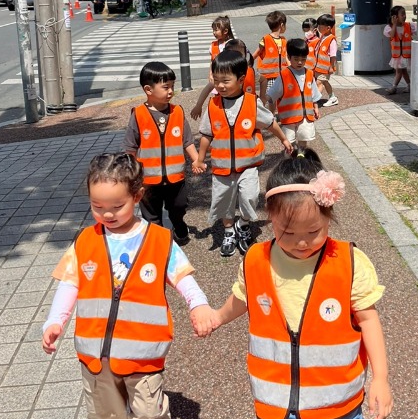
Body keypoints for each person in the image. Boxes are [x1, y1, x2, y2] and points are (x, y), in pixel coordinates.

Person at [211, 150, 393, 419]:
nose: (300, 242)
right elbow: (239, 301)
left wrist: (381, 378)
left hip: (333, 397)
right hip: (277, 402)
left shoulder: (350, 262)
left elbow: (369, 319)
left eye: (313, 232)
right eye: (285, 233)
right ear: (270, 220)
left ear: (329, 217)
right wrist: (215, 317)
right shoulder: (257, 260)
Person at [41, 153, 215, 419]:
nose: (107, 214)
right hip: (95, 354)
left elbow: (183, 278)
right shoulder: (85, 241)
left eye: (116, 206)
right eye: (97, 206)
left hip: (143, 352)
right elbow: (69, 284)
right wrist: (55, 321)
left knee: (149, 411)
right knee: (104, 414)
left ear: (137, 196)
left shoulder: (159, 241)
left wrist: (199, 305)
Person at [193, 48, 293, 257]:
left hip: (248, 164)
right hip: (221, 167)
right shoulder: (213, 105)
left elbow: (270, 123)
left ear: (240, 80)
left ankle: (244, 224)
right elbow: (206, 134)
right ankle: (229, 231)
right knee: (224, 200)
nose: (220, 86)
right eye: (217, 80)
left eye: (225, 81)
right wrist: (200, 159)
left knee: (249, 197)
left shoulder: (251, 102)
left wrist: (283, 138)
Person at [124, 61, 197, 243]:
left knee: (178, 207)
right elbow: (130, 147)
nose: (171, 91)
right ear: (148, 89)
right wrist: (132, 173)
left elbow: (186, 140)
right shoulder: (139, 114)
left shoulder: (177, 112)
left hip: (176, 177)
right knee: (152, 215)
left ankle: (179, 225)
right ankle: (159, 242)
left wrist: (196, 159)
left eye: (172, 86)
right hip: (148, 179)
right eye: (166, 87)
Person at [266, 37, 322, 154]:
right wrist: (271, 113)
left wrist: (315, 107)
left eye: (303, 59)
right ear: (289, 57)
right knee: (289, 140)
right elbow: (272, 96)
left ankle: (301, 154)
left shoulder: (309, 73)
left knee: (304, 137)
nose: (300, 62)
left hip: (306, 115)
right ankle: (289, 159)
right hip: (288, 117)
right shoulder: (284, 75)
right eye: (296, 59)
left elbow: (313, 94)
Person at [190, 38, 257, 120]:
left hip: (247, 109)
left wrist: (263, 97)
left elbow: (262, 79)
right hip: (225, 109)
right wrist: (198, 105)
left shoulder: (250, 71)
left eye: (239, 55)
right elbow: (207, 88)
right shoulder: (222, 75)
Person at [252, 9, 288, 102]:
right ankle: (268, 114)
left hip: (281, 74)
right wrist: (247, 64)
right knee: (270, 98)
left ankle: (276, 114)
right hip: (268, 76)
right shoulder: (265, 39)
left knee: (280, 96)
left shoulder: (283, 40)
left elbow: (286, 57)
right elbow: (256, 53)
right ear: (282, 25)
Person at [383, 5, 414, 94]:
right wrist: (394, 24)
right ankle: (409, 85)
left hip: (405, 54)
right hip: (397, 55)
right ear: (395, 17)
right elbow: (391, 35)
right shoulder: (389, 27)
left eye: (405, 14)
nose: (404, 16)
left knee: (399, 71)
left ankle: (394, 87)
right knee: (402, 71)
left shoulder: (409, 26)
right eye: (402, 14)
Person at [314, 13, 339, 107]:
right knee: (324, 82)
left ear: (328, 28)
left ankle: (313, 101)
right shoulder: (323, 36)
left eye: (320, 26)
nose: (318, 27)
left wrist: (331, 67)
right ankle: (332, 97)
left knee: (319, 83)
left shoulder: (331, 40)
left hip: (325, 68)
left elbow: (333, 55)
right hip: (319, 67)